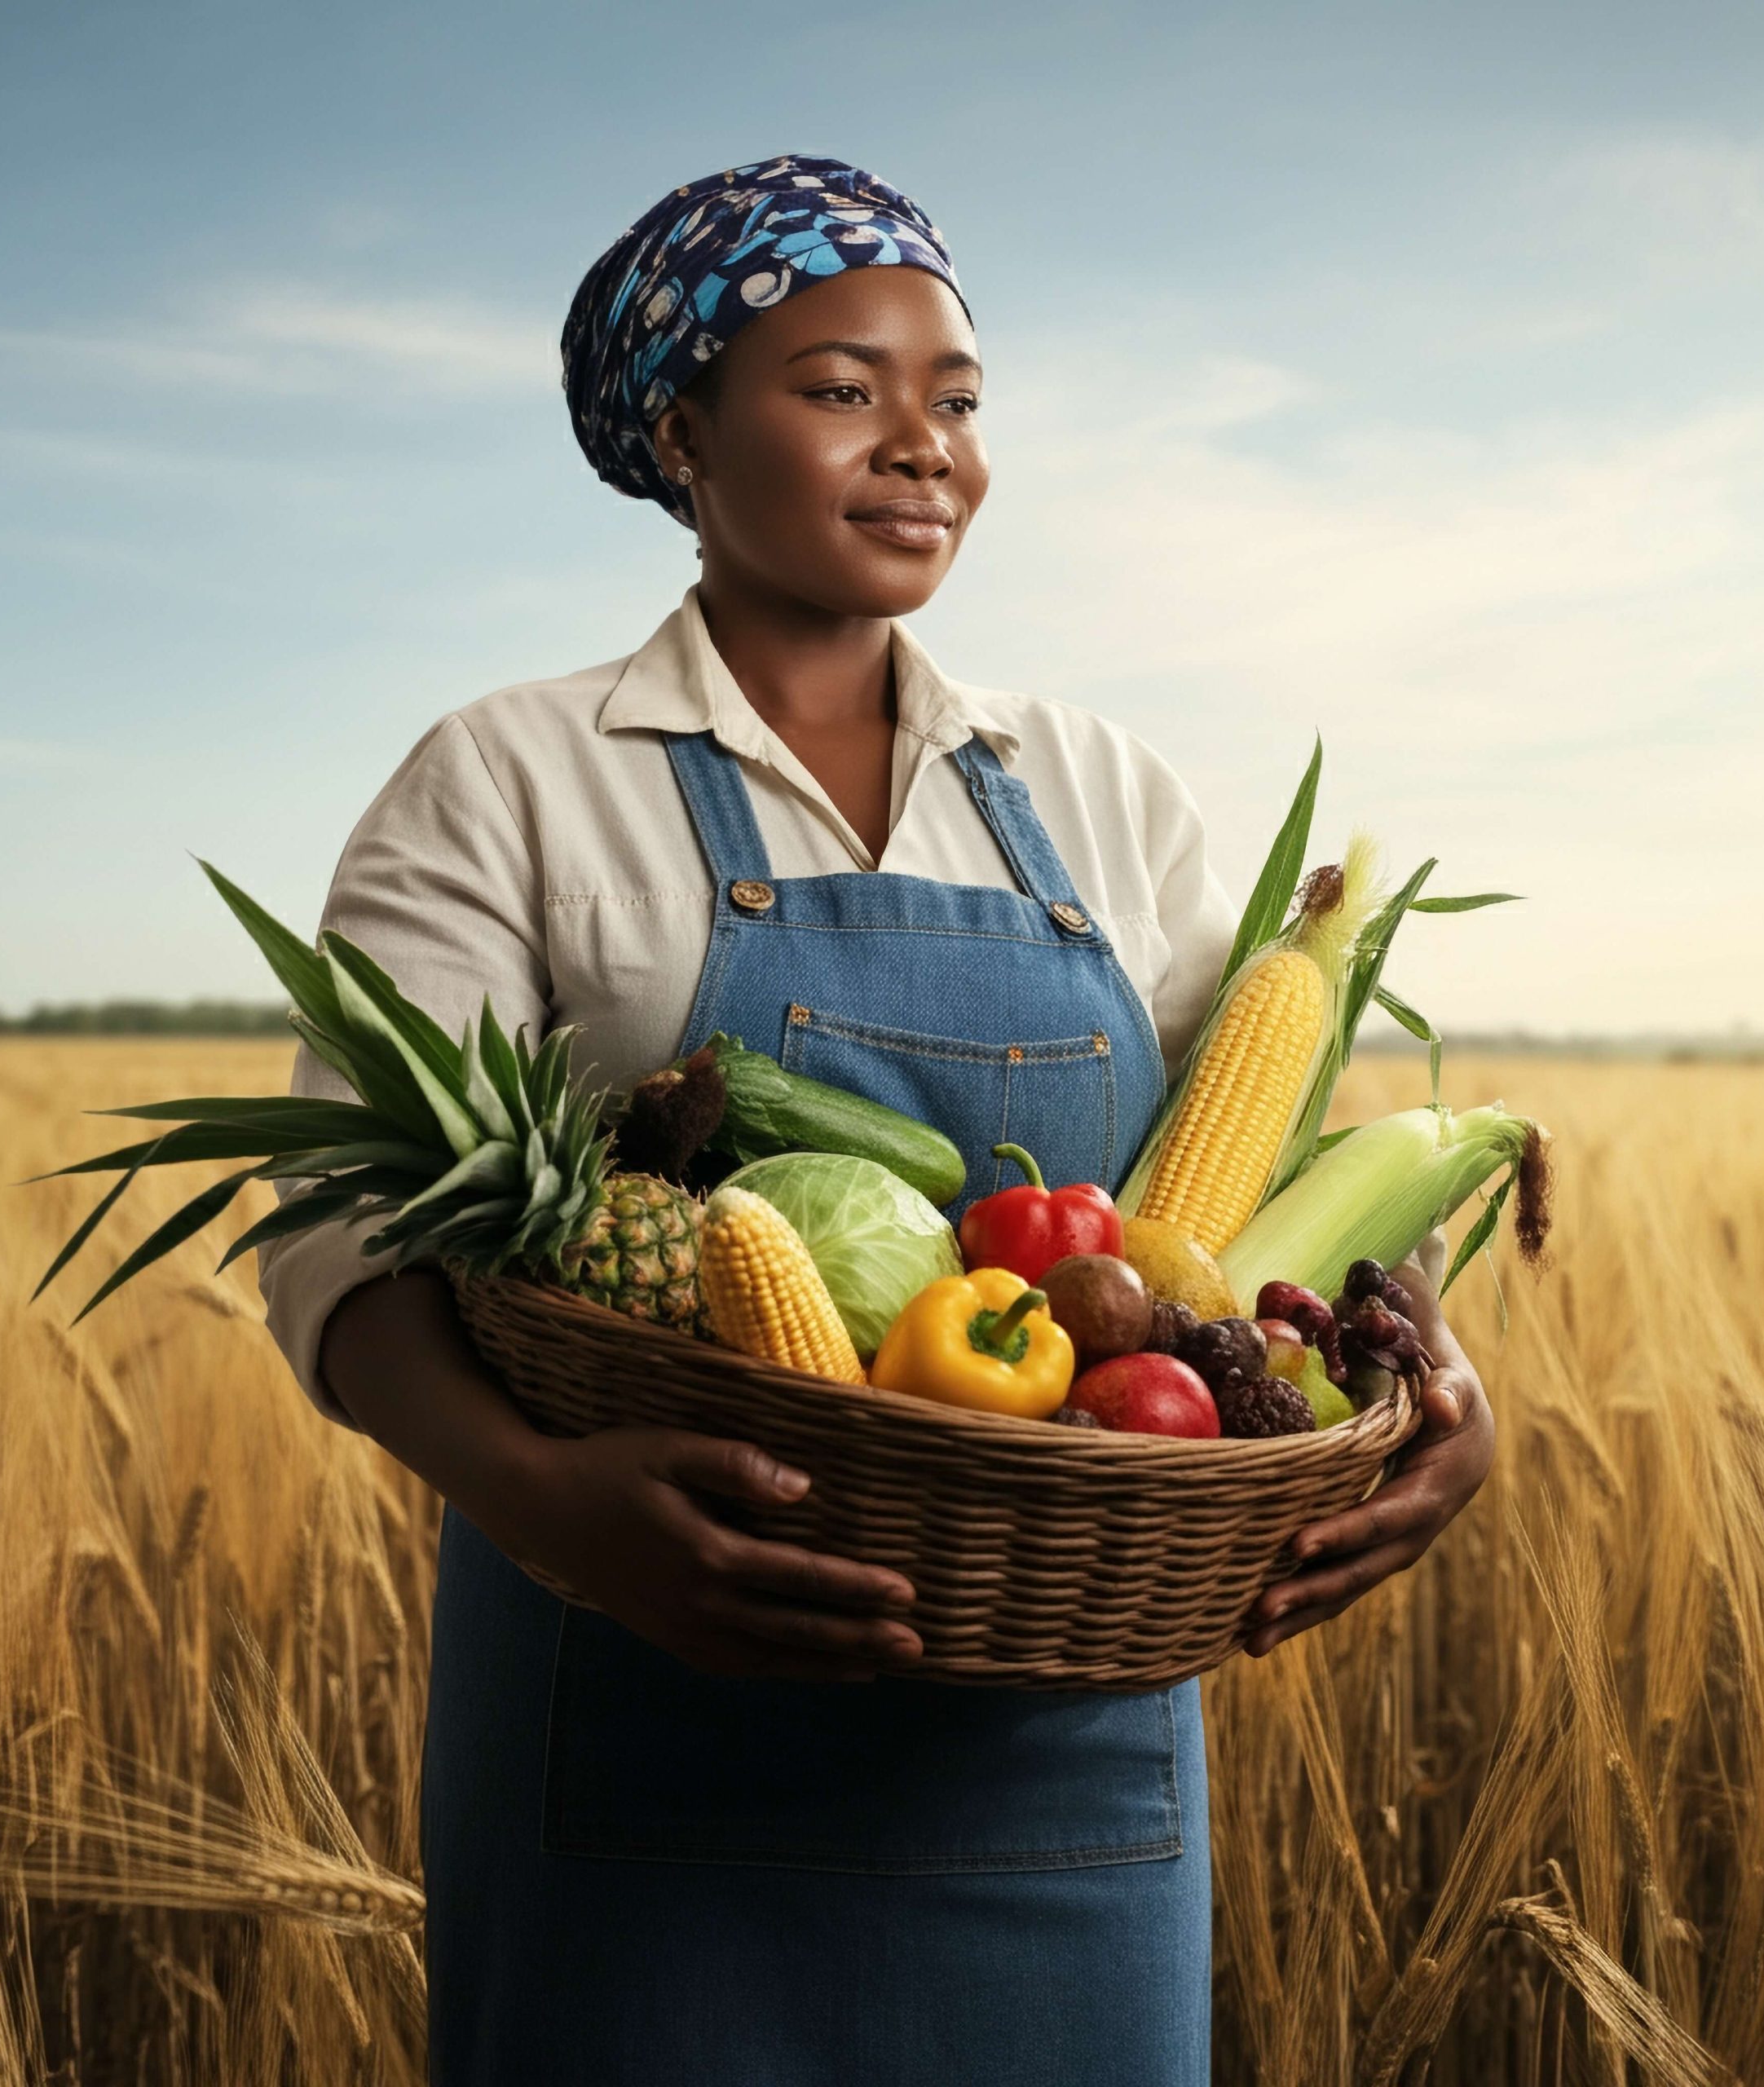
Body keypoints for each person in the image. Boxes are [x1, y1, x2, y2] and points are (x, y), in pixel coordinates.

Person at [254, 152, 1493, 2087]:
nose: (922, 446)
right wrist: (540, 1497)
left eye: (958, 399)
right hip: (637, 1719)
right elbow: (343, 1224)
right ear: (680, 427)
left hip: (1061, 1771)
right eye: (841, 388)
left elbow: (1255, 1217)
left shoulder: (1097, 788)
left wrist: (1418, 1384)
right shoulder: (506, 776)